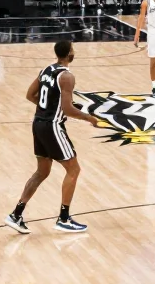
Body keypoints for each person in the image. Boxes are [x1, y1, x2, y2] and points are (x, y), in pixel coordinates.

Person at [6, 40, 91, 234]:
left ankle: (15, 215)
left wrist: (47, 109)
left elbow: (30, 95)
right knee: (73, 169)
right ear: (69, 53)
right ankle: (63, 218)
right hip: (53, 127)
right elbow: (67, 109)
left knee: (42, 172)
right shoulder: (67, 76)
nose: (74, 52)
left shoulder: (46, 70)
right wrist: (89, 118)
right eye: (73, 50)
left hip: (38, 124)